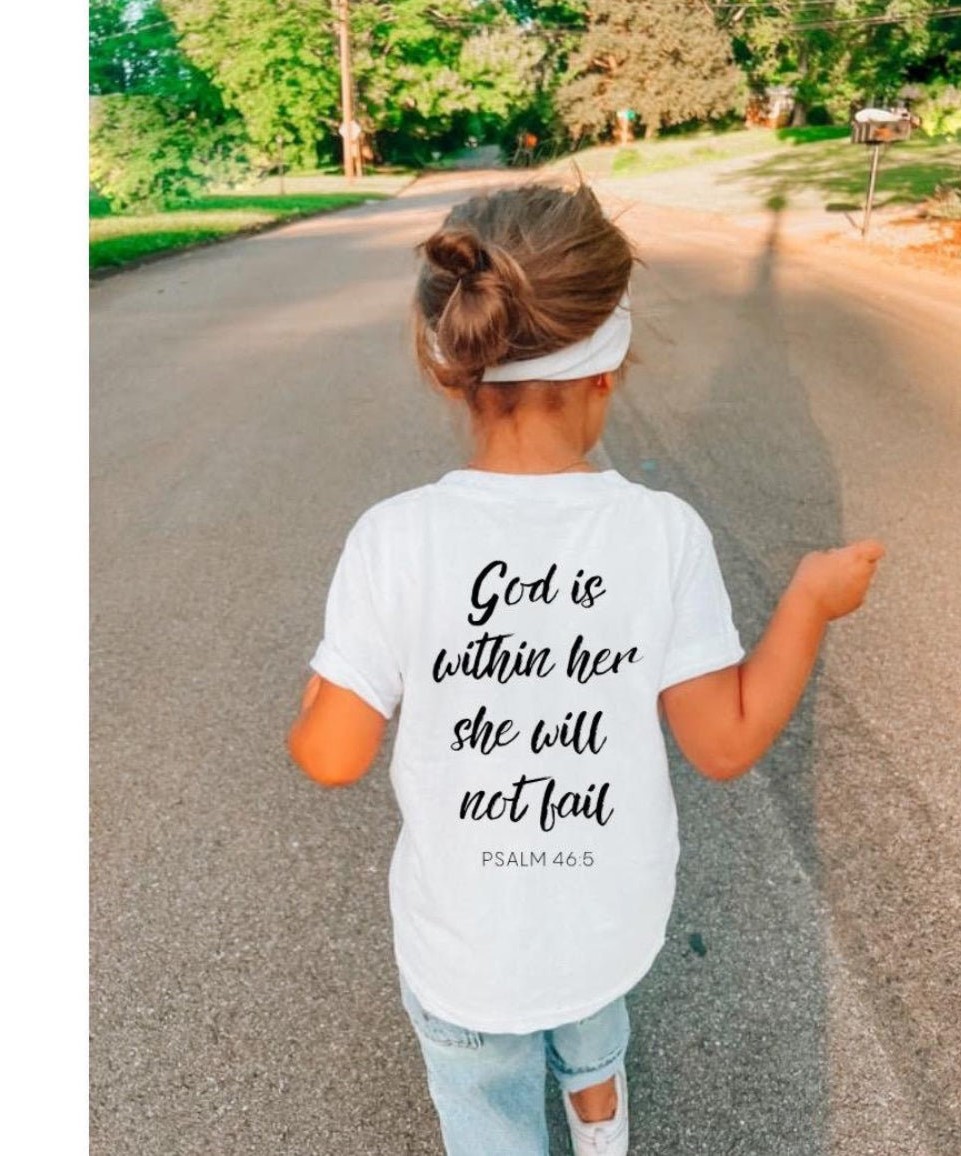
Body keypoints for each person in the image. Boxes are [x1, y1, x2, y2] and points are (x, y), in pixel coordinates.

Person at [287, 179, 884, 1156]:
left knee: (484, 1095)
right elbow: (725, 743)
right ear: (610, 371)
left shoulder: (394, 540)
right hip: (608, 907)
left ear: (448, 370)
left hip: (465, 943)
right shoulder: (662, 534)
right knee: (590, 1000)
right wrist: (810, 604)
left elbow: (333, 755)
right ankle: (598, 1108)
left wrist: (321, 693)